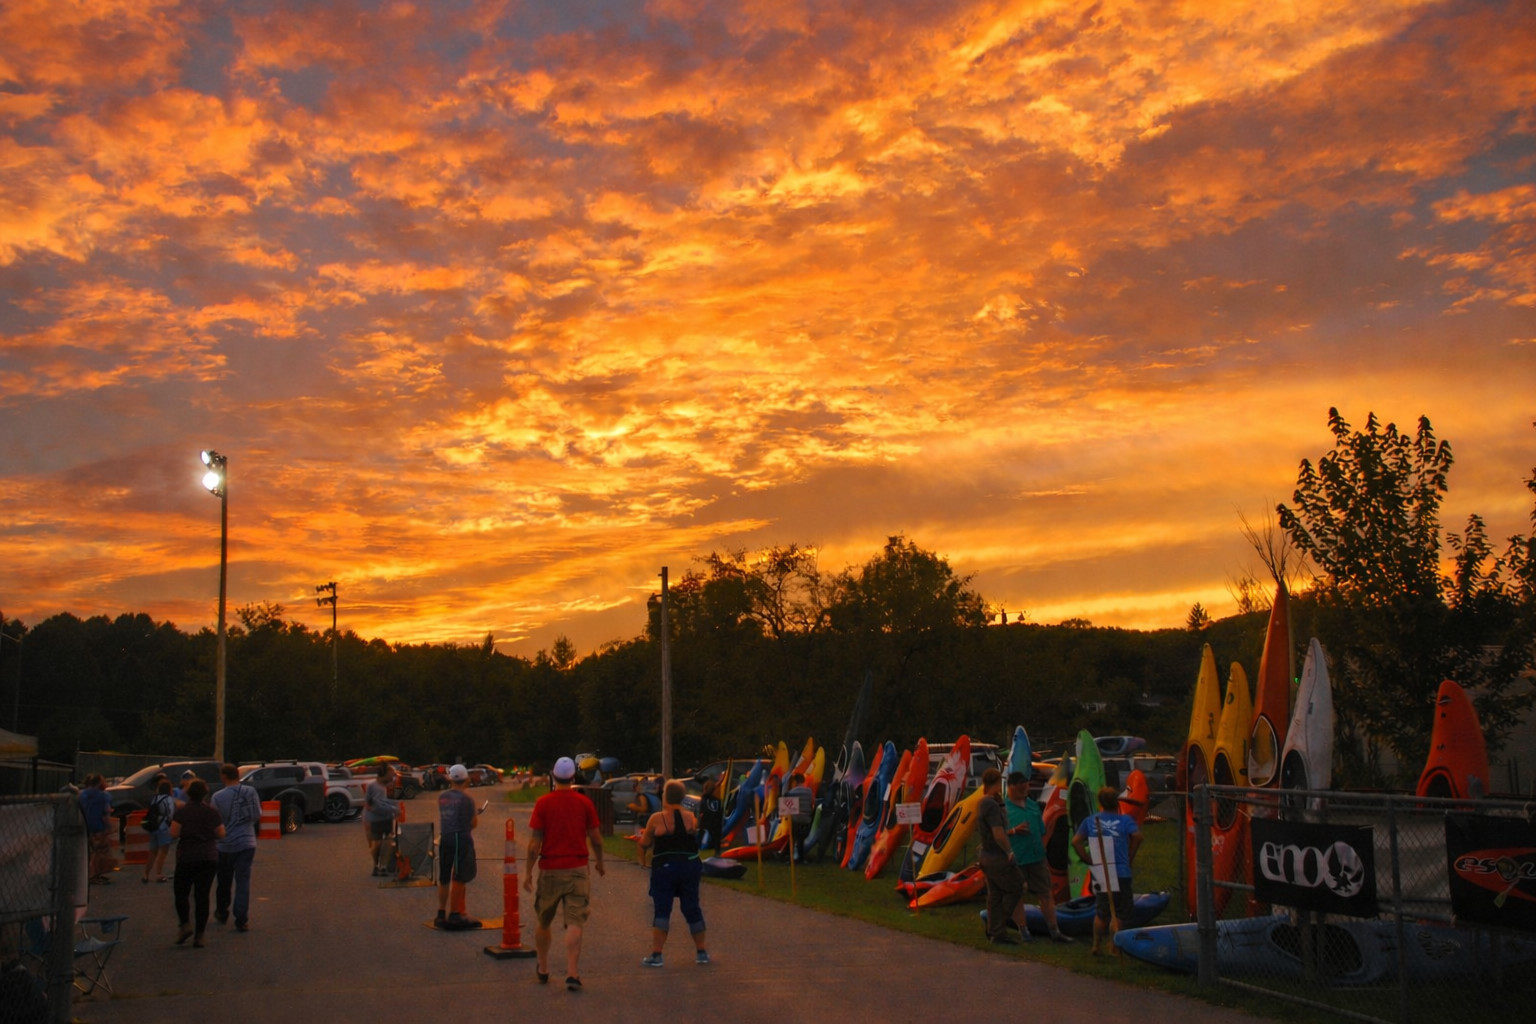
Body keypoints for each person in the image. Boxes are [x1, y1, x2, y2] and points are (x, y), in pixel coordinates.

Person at [525, 755, 605, 991]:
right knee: (575, 921)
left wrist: (528, 872)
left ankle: (542, 966)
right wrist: (599, 862)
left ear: (553, 776)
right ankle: (572, 972)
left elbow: (533, 844)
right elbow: (596, 839)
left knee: (544, 920)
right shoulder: (584, 803)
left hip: (550, 869)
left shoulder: (543, 803)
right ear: (573, 777)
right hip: (578, 869)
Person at [636, 780, 709, 967]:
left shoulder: (656, 818)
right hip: (690, 866)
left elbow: (644, 843)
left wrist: (643, 862)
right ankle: (701, 952)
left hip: (665, 868)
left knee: (662, 908)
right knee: (692, 907)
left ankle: (657, 954)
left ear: (665, 796)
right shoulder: (691, 818)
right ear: (682, 797)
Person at [1071, 785, 1143, 956]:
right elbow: (1138, 837)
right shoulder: (1125, 820)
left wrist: (1087, 859)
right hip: (1121, 871)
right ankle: (1114, 946)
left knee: (1102, 909)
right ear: (1116, 802)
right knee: (1119, 911)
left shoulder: (1092, 821)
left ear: (1100, 803)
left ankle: (1096, 945)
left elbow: (1076, 841)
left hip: (1102, 870)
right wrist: (1130, 854)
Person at [1004, 770, 1071, 942]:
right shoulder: (1003, 809)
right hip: (1017, 859)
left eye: (1026, 787)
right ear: (1011, 788)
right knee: (1018, 894)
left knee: (1046, 893)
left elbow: (1042, 830)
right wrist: (1014, 831)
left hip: (1037, 857)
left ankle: (1054, 930)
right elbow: (995, 834)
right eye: (1020, 788)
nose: (1024, 791)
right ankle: (1023, 931)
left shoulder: (1033, 805)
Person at [170, 778, 225, 947]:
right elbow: (221, 834)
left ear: (188, 793)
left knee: (181, 893)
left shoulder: (182, 812)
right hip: (208, 857)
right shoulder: (212, 812)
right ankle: (200, 935)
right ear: (205, 793)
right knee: (202, 896)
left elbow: (174, 833)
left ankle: (185, 924)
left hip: (186, 856)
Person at [209, 762, 261, 932]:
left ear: (223, 777)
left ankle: (222, 911)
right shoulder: (250, 791)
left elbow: (215, 821)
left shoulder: (217, 797)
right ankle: (241, 918)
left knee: (224, 880)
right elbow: (257, 814)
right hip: (247, 842)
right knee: (243, 881)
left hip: (225, 845)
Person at [976, 767, 1025, 945]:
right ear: (996, 782)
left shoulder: (985, 802)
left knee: (995, 894)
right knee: (1016, 887)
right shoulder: (990, 804)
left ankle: (996, 932)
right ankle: (997, 925)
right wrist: (1009, 851)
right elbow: (998, 832)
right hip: (996, 855)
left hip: (986, 855)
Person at [435, 764, 479, 928]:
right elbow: (473, 823)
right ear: (466, 779)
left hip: (445, 837)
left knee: (444, 877)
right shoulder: (467, 799)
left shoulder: (442, 796)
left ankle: (440, 913)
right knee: (460, 877)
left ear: (451, 778)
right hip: (461, 839)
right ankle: (455, 913)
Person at [78, 773, 115, 884]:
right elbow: (105, 813)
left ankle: (89, 874)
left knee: (88, 852)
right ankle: (94, 874)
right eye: (103, 781)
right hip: (99, 827)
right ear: (99, 783)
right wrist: (109, 827)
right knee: (99, 851)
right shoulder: (104, 796)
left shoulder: (81, 795)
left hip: (84, 826)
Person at [365, 764, 401, 877]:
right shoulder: (373, 785)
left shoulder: (383, 786)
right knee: (377, 844)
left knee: (388, 841)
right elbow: (376, 804)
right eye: (391, 773)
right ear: (383, 773)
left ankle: (383, 866)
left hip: (386, 817)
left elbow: (383, 801)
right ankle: (376, 865)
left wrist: (393, 804)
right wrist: (394, 809)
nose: (392, 776)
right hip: (376, 818)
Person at [142, 778, 176, 884]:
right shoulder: (169, 799)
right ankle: (159, 874)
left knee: (152, 852)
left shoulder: (155, 798)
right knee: (163, 851)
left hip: (154, 826)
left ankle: (146, 874)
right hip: (163, 826)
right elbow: (170, 814)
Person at [783, 772, 813, 861]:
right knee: (801, 838)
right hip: (807, 819)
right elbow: (812, 804)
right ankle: (801, 857)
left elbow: (784, 801)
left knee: (793, 836)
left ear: (795, 782)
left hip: (795, 819)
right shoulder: (809, 792)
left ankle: (790, 855)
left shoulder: (792, 792)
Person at [697, 774, 724, 854]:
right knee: (716, 835)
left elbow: (701, 812)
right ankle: (717, 851)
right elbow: (720, 813)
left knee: (701, 832)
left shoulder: (703, 800)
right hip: (716, 824)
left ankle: (697, 847)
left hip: (705, 823)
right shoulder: (718, 801)